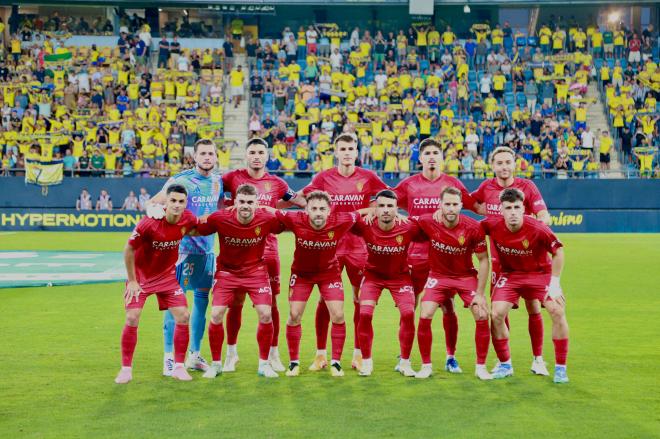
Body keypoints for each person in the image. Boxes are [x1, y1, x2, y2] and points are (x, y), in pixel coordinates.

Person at [302, 132, 388, 371]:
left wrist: (372, 208)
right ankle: (321, 354)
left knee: (361, 298)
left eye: (351, 148)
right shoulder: (323, 178)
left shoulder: (368, 177)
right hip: (330, 246)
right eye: (343, 148)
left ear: (357, 152)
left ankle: (358, 354)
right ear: (336, 152)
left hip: (360, 246)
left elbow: (387, 197)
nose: (348, 152)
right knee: (324, 299)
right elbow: (304, 198)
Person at [393, 138, 478, 373]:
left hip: (446, 258)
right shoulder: (408, 184)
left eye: (435, 153)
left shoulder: (453, 184)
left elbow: (475, 206)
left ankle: (451, 357)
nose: (431, 157)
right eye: (427, 153)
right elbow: (387, 205)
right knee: (410, 307)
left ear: (442, 158)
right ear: (420, 158)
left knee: (448, 307)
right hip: (415, 255)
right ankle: (404, 357)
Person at [221, 138, 305, 373]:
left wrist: (315, 201)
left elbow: (298, 200)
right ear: (246, 155)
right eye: (252, 152)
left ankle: (273, 353)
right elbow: (213, 192)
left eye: (261, 152)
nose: (256, 156)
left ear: (267, 156)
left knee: (272, 304)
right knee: (235, 302)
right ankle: (231, 353)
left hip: (268, 250)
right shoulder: (232, 178)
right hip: (237, 250)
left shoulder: (276, 182)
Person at [469, 146, 552, 376]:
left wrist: (541, 224)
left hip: (527, 258)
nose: (504, 167)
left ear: (515, 164)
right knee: (498, 311)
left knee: (533, 306)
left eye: (508, 162)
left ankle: (538, 359)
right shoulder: (486, 187)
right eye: (500, 163)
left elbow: (543, 213)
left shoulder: (527, 187)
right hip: (499, 260)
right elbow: (470, 202)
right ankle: (504, 361)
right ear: (492, 165)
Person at [146, 139, 222, 376]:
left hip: (207, 251)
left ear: (216, 156)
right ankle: (169, 357)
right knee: (175, 304)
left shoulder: (218, 181)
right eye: (203, 153)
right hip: (182, 252)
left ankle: (194, 355)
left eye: (211, 153)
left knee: (201, 303)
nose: (207, 157)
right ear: (195, 156)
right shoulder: (181, 180)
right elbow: (153, 203)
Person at [195, 183, 285, 378]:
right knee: (216, 314)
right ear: (235, 202)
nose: (245, 206)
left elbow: (288, 223)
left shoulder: (267, 218)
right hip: (227, 273)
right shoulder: (219, 218)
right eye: (242, 202)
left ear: (257, 204)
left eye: (250, 202)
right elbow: (196, 227)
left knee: (265, 314)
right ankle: (217, 364)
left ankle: (264, 364)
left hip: (256, 272)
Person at [265, 191, 360, 377]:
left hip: (329, 274)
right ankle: (294, 363)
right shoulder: (294, 218)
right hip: (301, 275)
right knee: (294, 315)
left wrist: (393, 213)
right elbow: (270, 210)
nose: (318, 212)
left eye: (322, 209)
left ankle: (336, 363)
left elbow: (363, 212)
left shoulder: (342, 220)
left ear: (329, 210)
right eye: (314, 208)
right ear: (306, 209)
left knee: (338, 315)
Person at [481, 188, 569, 384]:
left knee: (557, 311)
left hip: (540, 275)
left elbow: (559, 252)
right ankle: (505, 364)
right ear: (501, 210)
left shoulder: (537, 227)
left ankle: (561, 368)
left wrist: (554, 284)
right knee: (496, 314)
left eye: (516, 207)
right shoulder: (492, 224)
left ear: (523, 209)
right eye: (508, 208)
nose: (512, 212)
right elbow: (466, 227)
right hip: (511, 276)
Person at [114, 184, 198, 384]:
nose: (177, 205)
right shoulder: (149, 223)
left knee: (184, 316)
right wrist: (132, 281)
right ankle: (126, 369)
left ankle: (178, 367)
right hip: (141, 278)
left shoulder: (188, 219)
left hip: (167, 278)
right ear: (165, 202)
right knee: (133, 317)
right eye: (173, 201)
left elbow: (200, 225)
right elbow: (128, 249)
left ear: (185, 204)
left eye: (181, 202)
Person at [414, 187, 492, 380]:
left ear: (461, 205)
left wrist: (480, 294)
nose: (450, 208)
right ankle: (426, 366)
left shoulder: (474, 227)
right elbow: (405, 224)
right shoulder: (427, 220)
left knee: (481, 313)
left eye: (455, 204)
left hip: (465, 276)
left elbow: (484, 260)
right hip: (438, 276)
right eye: (447, 204)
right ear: (440, 205)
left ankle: (479, 366)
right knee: (425, 312)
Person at [353, 190, 418, 377]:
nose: (386, 210)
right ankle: (366, 362)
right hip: (373, 276)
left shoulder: (408, 227)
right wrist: (366, 211)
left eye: (390, 206)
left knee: (408, 313)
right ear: (376, 208)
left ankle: (404, 362)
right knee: (364, 313)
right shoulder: (365, 225)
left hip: (400, 277)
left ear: (397, 209)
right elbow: (340, 219)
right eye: (381, 206)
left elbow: (431, 229)